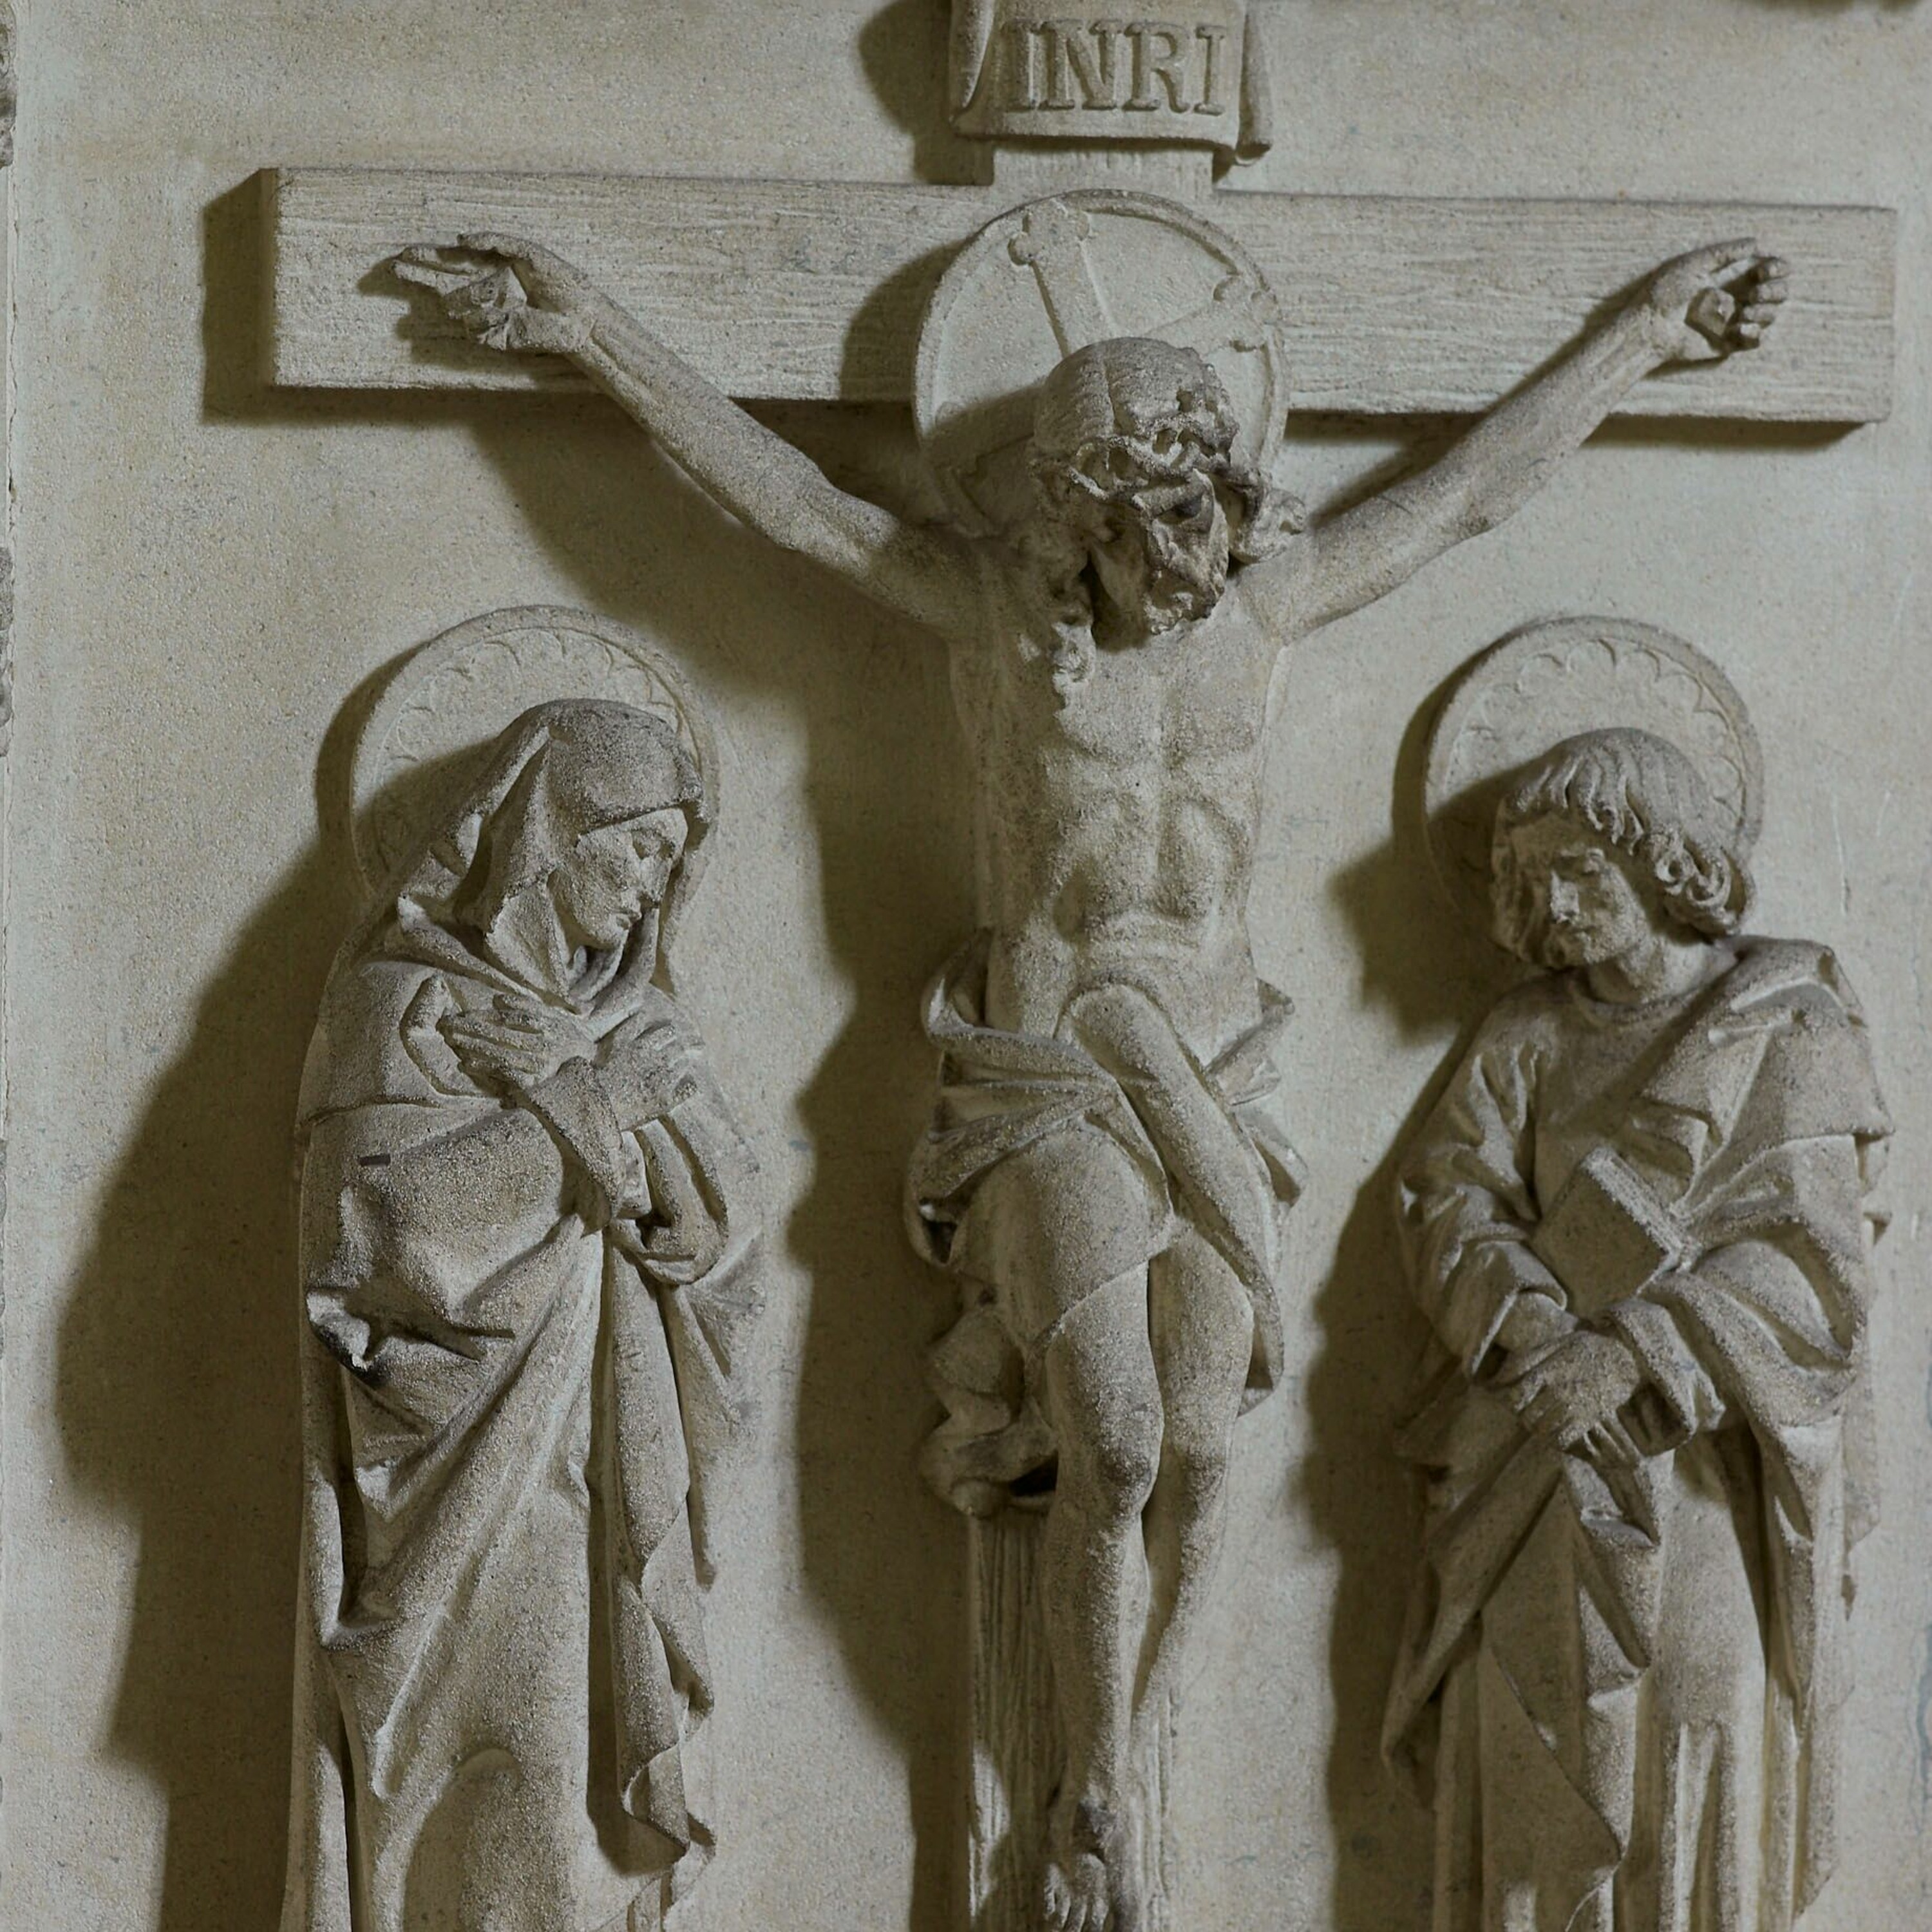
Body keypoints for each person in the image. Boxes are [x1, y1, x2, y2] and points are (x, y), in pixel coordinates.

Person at [401, 229, 1786, 1932]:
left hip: (1218, 1073)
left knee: (1203, 1442)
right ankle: (1099, 1788)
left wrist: (1642, 334)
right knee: (1114, 1441)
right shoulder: (996, 619)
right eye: (1150, 521)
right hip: (1052, 1070)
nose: (1189, 555)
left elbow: (1466, 500)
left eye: (1207, 511)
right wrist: (589, 323)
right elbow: (788, 506)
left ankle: (1135, 1747)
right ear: (1077, 518)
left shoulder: (1264, 610)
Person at [1386, 727, 1889, 1932]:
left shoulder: (1786, 1023)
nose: (1557, 906)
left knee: (1694, 1722)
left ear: (1669, 861)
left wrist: (1632, 1352)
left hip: (1704, 1458)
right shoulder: (1524, 1035)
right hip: (1544, 1459)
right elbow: (1448, 1200)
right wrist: (1531, 1330)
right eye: (1532, 879)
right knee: (1540, 1747)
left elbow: (1816, 1259)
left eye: (1583, 872)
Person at [282, 700, 761, 1932]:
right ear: (557, 826)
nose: (651, 890)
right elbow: (373, 1239)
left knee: (564, 1820)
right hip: (454, 1488)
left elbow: (715, 1238)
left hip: (591, 1470)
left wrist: (591, 1094)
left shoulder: (637, 1031)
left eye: (670, 864)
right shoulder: (401, 1004)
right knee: (521, 1804)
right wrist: (589, 1108)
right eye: (640, 846)